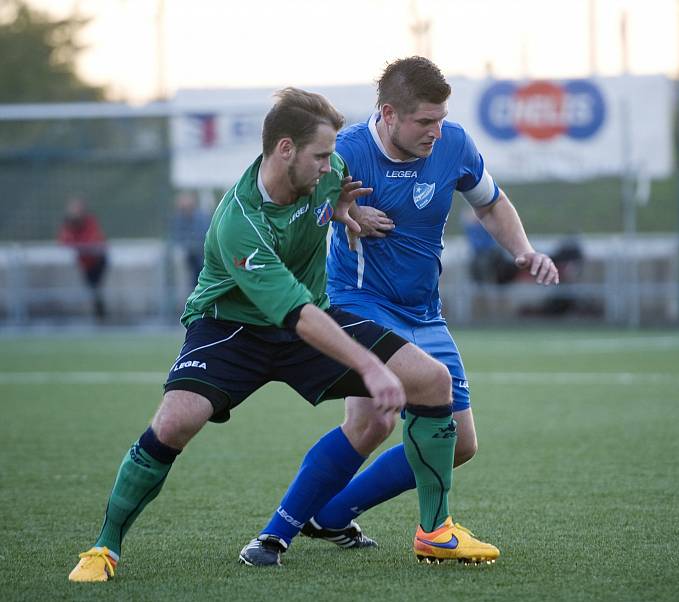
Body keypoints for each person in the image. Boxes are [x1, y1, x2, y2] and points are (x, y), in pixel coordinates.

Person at [68, 87, 497, 582]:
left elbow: (332, 199)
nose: (331, 164)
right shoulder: (238, 222)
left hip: (307, 317)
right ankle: (104, 547)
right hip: (234, 328)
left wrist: (343, 211)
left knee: (432, 381)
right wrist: (370, 366)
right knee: (174, 424)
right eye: (320, 154)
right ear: (285, 150)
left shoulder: (326, 172)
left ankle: (434, 531)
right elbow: (295, 313)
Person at [277, 57, 558, 552]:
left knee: (461, 444)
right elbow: (300, 211)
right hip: (360, 302)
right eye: (425, 121)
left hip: (425, 311)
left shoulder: (455, 145)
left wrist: (523, 251)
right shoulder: (347, 153)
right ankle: (280, 532)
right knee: (370, 422)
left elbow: (490, 203)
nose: (436, 130)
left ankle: (332, 514)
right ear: (388, 114)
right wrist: (342, 211)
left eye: (441, 118)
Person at [58, 197, 109, 319]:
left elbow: (94, 240)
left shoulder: (90, 222)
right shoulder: (69, 225)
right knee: (92, 287)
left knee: (95, 286)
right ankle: (99, 314)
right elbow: (64, 241)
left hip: (98, 260)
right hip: (85, 263)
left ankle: (100, 314)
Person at [170, 191, 211, 288]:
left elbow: (204, 237)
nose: (185, 210)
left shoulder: (202, 218)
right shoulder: (178, 220)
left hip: (202, 256)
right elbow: (177, 238)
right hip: (189, 257)